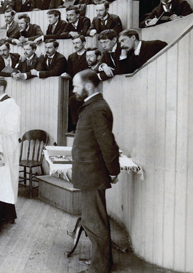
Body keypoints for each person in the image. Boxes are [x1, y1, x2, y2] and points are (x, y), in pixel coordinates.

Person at [71, 69, 120, 273]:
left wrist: (113, 171)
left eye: (75, 86)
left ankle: (100, 268)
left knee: (94, 222)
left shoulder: (97, 108)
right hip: (88, 172)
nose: (73, 90)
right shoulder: (91, 106)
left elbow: (107, 143)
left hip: (92, 173)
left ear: (88, 86)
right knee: (93, 220)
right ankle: (100, 262)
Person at [0, 77, 20, 228]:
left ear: (1, 87)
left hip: (7, 145)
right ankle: (1, 213)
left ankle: (8, 214)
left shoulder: (10, 104)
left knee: (6, 179)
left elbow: (12, 126)